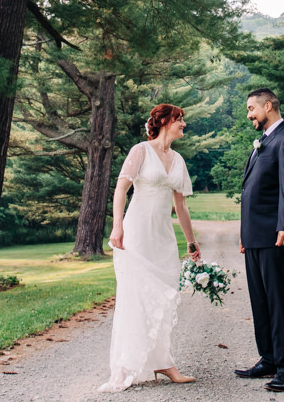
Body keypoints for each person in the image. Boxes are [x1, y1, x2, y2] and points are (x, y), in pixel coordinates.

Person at [98, 103, 201, 392]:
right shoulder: (140, 151)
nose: (183, 125)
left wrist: (191, 241)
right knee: (135, 296)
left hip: (162, 237)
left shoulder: (178, 160)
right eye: (180, 120)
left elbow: (181, 206)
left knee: (163, 298)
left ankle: (163, 362)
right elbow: (121, 189)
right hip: (137, 233)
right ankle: (124, 366)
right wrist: (117, 226)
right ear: (166, 121)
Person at [236, 88, 284, 392]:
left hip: (277, 235)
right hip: (256, 236)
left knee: (279, 302)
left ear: (268, 106)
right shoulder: (265, 140)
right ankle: (269, 359)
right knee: (260, 301)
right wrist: (245, 235)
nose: (249, 115)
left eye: (251, 109)